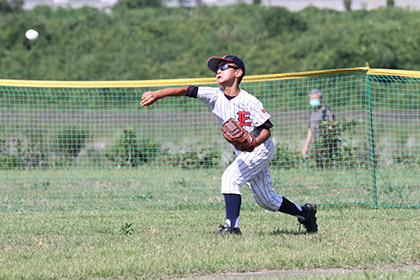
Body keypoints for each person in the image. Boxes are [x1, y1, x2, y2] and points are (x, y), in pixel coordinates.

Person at [141, 55, 318, 235]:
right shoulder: (214, 96)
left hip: (260, 148)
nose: (218, 70)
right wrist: (157, 94)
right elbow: (186, 90)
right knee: (267, 200)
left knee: (230, 178)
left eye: (224, 66)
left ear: (238, 73)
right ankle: (305, 213)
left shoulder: (249, 101)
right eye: (217, 68)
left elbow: (266, 129)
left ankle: (231, 227)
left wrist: (254, 142)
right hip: (244, 153)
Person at [302, 89, 334, 168]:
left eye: (314, 98)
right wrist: (305, 147)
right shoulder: (312, 113)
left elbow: (330, 127)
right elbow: (310, 131)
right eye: (311, 98)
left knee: (327, 161)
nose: (312, 100)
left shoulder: (325, 111)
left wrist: (328, 141)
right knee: (318, 162)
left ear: (320, 98)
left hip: (324, 141)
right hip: (315, 142)